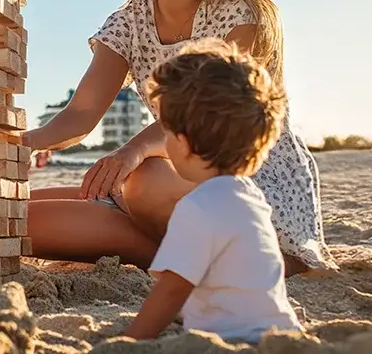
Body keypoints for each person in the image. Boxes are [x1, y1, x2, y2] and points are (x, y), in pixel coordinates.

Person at [22, 0, 335, 275]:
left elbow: (208, 113)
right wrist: (25, 143)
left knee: (146, 179)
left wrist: (132, 150)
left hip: (245, 180)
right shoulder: (129, 21)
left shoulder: (241, 15)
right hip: (169, 179)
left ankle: (268, 257)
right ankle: (167, 256)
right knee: (13, 216)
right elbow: (82, 111)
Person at [123, 39, 301, 342]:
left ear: (184, 143)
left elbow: (172, 290)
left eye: (166, 131)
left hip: (234, 340)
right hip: (280, 335)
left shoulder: (199, 206)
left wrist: (130, 341)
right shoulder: (249, 197)